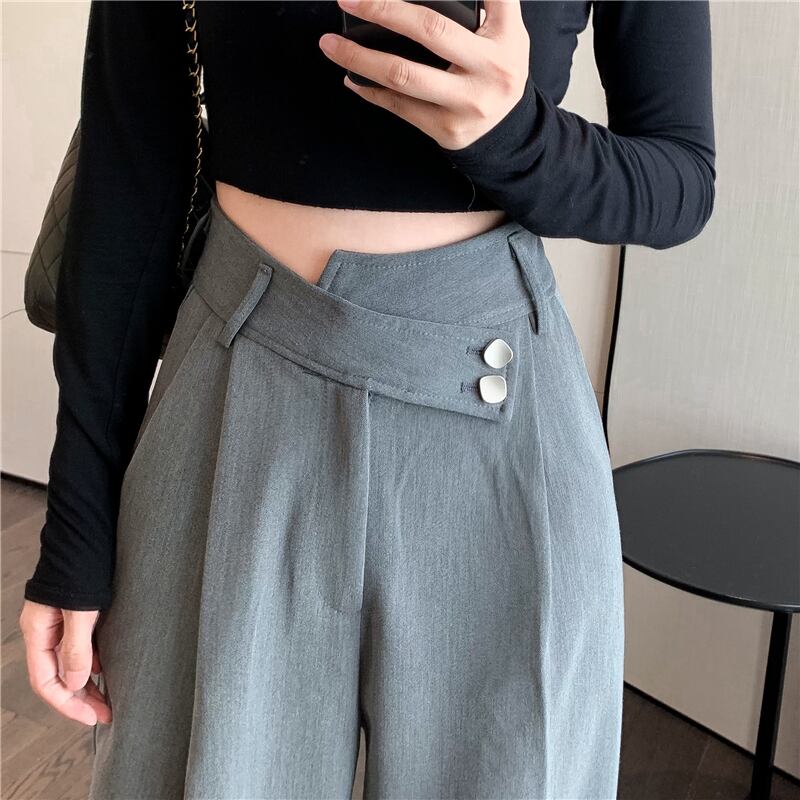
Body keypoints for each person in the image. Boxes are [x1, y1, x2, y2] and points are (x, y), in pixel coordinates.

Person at [19, 1, 715, 798]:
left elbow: (682, 181)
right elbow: (126, 188)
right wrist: (76, 533)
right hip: (231, 391)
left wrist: (519, 139)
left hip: (497, 428)